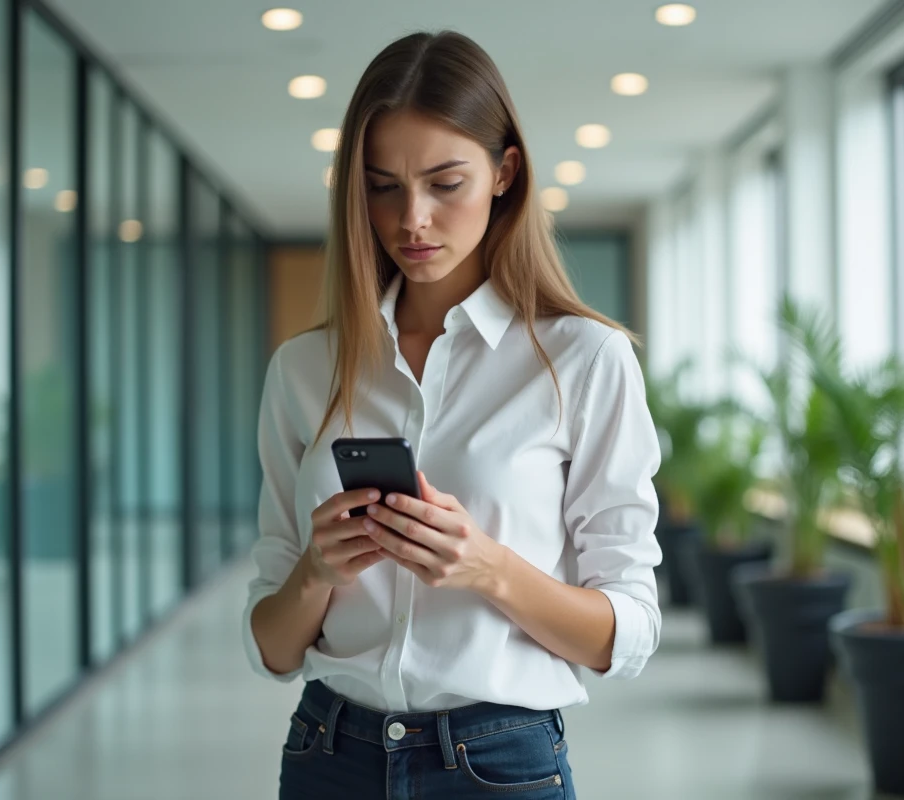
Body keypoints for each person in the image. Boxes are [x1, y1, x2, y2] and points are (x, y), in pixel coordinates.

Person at [243, 29, 662, 800]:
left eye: (445, 183)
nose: (413, 220)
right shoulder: (303, 371)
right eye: (382, 186)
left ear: (505, 173)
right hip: (329, 753)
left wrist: (487, 567)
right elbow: (270, 648)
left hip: (499, 763)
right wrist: (316, 573)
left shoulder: (584, 360)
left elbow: (628, 631)